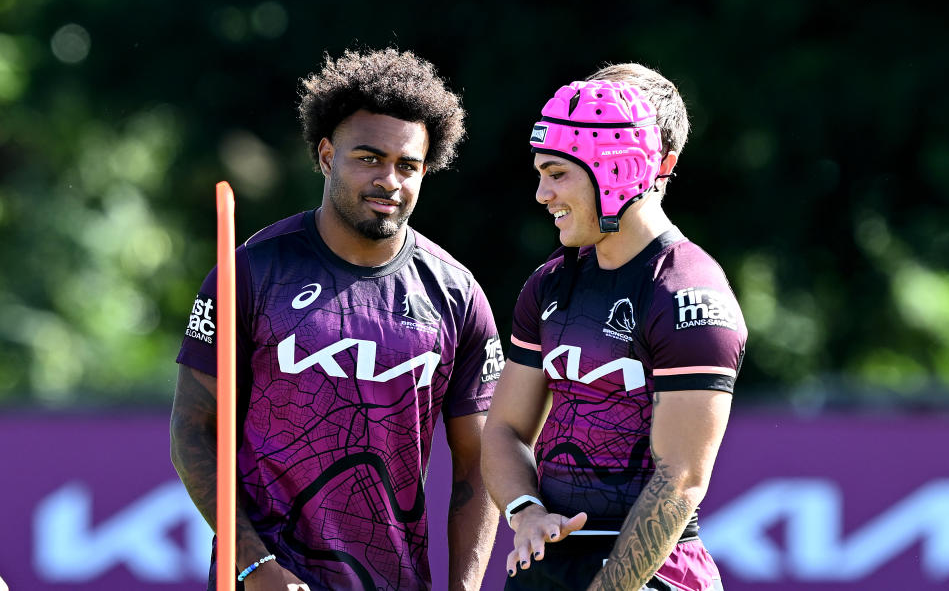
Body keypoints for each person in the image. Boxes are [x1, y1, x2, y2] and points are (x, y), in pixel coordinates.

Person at [171, 48, 502, 591]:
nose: (389, 181)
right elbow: (191, 433)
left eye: (407, 165)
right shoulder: (251, 272)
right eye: (368, 158)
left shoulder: (457, 294)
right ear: (327, 155)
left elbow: (478, 466)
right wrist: (253, 564)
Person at [481, 64, 747, 591]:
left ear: (618, 166)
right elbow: (505, 430)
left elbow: (682, 480)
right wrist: (527, 512)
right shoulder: (549, 283)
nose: (541, 194)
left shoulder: (689, 293)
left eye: (558, 174)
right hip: (549, 563)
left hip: (654, 572)